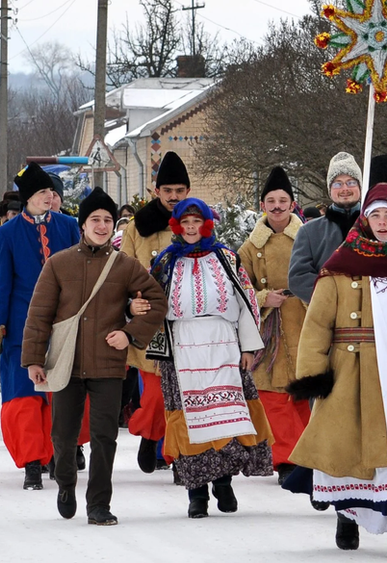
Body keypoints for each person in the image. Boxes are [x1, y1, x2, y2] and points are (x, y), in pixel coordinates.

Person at [284, 184, 387, 559]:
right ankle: (348, 514)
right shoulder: (341, 265)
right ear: (365, 219)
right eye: (376, 215)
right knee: (348, 448)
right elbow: (318, 324)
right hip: (349, 371)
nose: (383, 222)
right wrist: (313, 374)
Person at [23, 188, 167, 526]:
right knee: (63, 434)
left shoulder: (125, 265)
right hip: (66, 363)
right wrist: (33, 359)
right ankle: (66, 482)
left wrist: (130, 333)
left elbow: (158, 303)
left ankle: (99, 504)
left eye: (106, 220)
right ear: (82, 224)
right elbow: (39, 315)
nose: (101, 226)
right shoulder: (58, 263)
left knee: (105, 437)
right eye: (94, 220)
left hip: (108, 363)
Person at [151, 197, 272, 519]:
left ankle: (222, 481)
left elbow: (247, 302)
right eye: (185, 223)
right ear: (177, 226)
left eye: (196, 222)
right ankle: (196, 494)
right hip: (182, 348)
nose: (191, 228)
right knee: (190, 421)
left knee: (225, 415)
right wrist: (159, 349)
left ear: (206, 224)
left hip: (223, 344)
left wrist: (248, 347)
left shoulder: (227, 258)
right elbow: (151, 307)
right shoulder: (165, 262)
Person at [0, 162, 81, 490]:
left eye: (51, 191)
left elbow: (81, 276)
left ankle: (59, 456)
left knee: (60, 394)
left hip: (63, 325)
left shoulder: (69, 226)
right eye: (43, 192)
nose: (49, 196)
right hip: (20, 327)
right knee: (26, 396)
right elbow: (1, 283)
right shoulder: (7, 233)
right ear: (28, 197)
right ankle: (31, 462)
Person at [237, 166, 308, 485]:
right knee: (274, 397)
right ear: (262, 205)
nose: (277, 206)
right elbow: (240, 288)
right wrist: (264, 297)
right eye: (271, 200)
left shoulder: (308, 238)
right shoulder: (250, 248)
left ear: (292, 204)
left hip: (305, 323)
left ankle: (311, 454)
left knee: (306, 394)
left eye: (283, 200)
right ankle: (286, 459)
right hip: (270, 329)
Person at [121, 151, 190, 474]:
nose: (173, 197)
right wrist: (132, 302)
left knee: (184, 396)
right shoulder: (138, 228)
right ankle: (150, 435)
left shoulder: (196, 222)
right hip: (152, 320)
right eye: (168, 191)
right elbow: (124, 272)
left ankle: (177, 455)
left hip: (189, 320)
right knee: (155, 395)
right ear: (156, 191)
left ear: (187, 191)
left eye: (179, 191)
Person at [288, 152, 363, 303]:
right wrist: (333, 296)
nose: (345, 189)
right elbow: (298, 277)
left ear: (360, 186)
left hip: (369, 318)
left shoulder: (375, 227)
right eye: (338, 183)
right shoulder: (309, 231)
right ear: (330, 189)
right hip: (327, 317)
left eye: (351, 182)